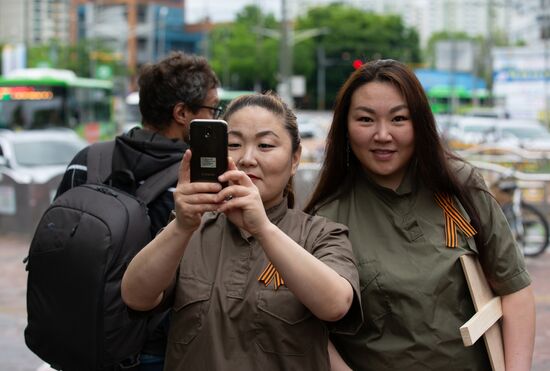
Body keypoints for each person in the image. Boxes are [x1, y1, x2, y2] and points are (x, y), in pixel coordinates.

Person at [304, 59, 535, 371]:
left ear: (421, 122)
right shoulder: (327, 216)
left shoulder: (459, 185)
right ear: (345, 125)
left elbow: (514, 288)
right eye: (365, 120)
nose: (382, 135)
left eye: (399, 119)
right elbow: (310, 327)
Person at [121, 92, 363, 370]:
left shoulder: (320, 234)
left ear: (295, 159)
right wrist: (181, 226)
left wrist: (262, 228)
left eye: (265, 145)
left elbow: (335, 304)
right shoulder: (191, 228)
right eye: (233, 144)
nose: (247, 158)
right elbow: (135, 296)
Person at [54, 51, 221, 370]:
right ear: (182, 113)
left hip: (79, 336)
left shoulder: (87, 160)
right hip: (155, 350)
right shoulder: (195, 182)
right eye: (212, 109)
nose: (215, 118)